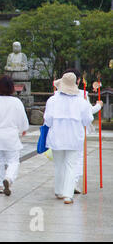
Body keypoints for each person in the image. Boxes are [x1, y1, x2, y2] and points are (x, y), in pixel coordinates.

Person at [44, 72, 93, 204]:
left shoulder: (52, 100)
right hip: (74, 136)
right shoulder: (81, 102)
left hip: (57, 137)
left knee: (59, 165)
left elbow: (47, 120)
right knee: (71, 165)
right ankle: (67, 194)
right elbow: (88, 119)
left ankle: (59, 190)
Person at [0, 75, 29, 196]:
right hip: (11, 135)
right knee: (13, 161)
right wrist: (23, 129)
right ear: (12, 87)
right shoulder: (16, 102)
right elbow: (23, 119)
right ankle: (9, 178)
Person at [60, 69, 103, 194]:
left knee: (63, 159)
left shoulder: (57, 95)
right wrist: (99, 106)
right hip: (77, 130)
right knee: (77, 158)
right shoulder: (81, 94)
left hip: (61, 130)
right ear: (78, 80)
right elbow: (88, 113)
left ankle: (63, 184)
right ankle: (72, 182)